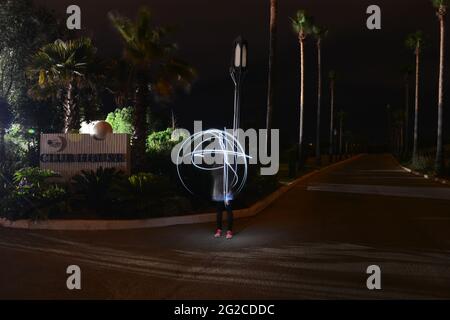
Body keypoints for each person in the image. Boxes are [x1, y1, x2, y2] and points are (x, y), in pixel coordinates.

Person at [211, 169, 234, 239]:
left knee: (229, 212)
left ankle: (229, 231)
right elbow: (214, 176)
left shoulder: (227, 166)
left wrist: (227, 194)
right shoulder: (216, 166)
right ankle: (219, 230)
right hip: (218, 192)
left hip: (227, 193)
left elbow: (229, 178)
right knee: (219, 212)